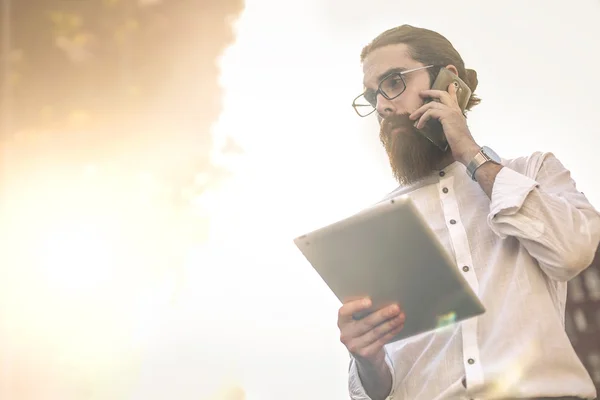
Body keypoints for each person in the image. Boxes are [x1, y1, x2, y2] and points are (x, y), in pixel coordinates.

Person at [338, 25, 600, 400]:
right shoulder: (380, 224)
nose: (382, 106)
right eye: (371, 95)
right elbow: (373, 390)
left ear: (449, 81)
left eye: (393, 82)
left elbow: (573, 251)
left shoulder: (534, 171)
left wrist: (473, 157)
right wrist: (366, 359)